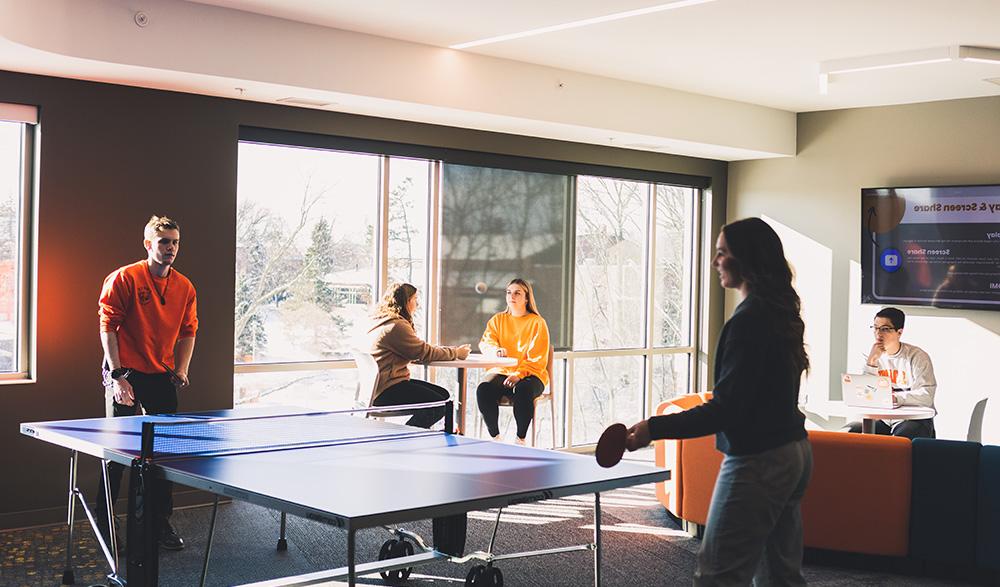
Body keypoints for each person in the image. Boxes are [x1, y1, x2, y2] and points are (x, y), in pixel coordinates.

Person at [625, 217, 812, 586]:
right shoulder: (779, 312)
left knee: (718, 576)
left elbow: (727, 408)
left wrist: (653, 428)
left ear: (746, 259)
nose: (715, 262)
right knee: (780, 578)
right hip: (794, 454)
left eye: (722, 253)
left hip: (759, 462)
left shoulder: (749, 320)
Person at [96, 215, 198, 551]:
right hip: (125, 372)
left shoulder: (184, 286)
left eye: (175, 242)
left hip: (160, 374)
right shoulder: (125, 278)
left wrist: (181, 368)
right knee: (118, 455)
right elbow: (108, 326)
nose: (170, 248)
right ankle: (106, 527)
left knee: (163, 455)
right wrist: (117, 375)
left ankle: (158, 524)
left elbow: (188, 331)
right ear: (148, 244)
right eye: (164, 241)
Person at [368, 282, 470, 428]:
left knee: (444, 397)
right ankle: (406, 439)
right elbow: (424, 352)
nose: (417, 303)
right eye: (415, 299)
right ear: (407, 301)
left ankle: (416, 437)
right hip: (387, 390)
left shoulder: (379, 321)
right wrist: (457, 353)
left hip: (377, 388)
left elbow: (417, 349)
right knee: (440, 405)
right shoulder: (396, 326)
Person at [476, 278, 550, 445]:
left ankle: (520, 439)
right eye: (509, 292)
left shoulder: (537, 322)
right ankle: (495, 438)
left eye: (517, 293)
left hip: (532, 374)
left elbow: (537, 358)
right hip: (502, 372)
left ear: (526, 298)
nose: (512, 296)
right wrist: (495, 350)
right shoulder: (498, 320)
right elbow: (486, 342)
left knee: (523, 389)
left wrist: (519, 374)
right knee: (483, 389)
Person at [846, 307, 936, 439]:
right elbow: (863, 395)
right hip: (881, 418)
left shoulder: (917, 356)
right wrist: (871, 362)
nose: (878, 334)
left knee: (901, 439)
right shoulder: (869, 355)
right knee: (849, 432)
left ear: (899, 332)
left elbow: (927, 395)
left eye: (885, 329)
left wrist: (896, 398)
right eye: (875, 328)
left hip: (912, 418)